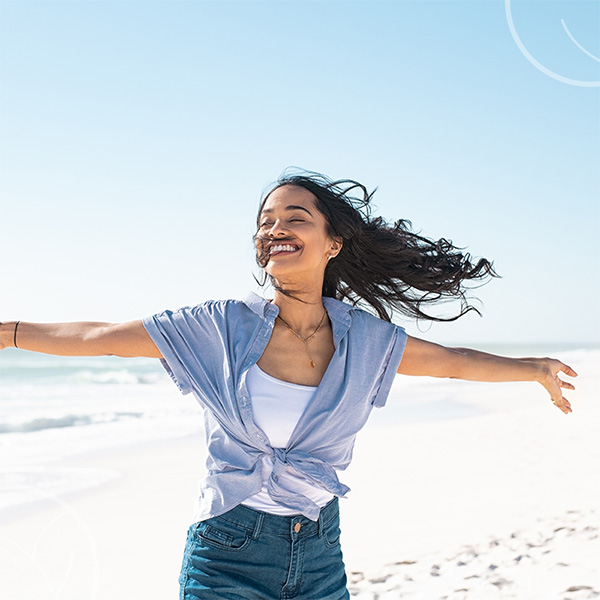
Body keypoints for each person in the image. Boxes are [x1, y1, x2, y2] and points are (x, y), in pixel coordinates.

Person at [0, 170, 576, 600]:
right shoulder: (220, 326)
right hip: (228, 552)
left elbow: (450, 361)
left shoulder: (364, 340)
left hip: (321, 550)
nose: (274, 229)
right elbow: (99, 335)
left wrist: (534, 369)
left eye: (295, 217)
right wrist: (10, 332)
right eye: (266, 222)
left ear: (333, 243)